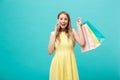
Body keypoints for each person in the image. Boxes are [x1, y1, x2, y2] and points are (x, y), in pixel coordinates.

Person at [48, 11, 85, 80]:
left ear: (68, 21)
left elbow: (82, 43)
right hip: (58, 65)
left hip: (70, 64)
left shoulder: (72, 32)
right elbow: (50, 52)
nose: (63, 21)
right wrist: (55, 33)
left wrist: (79, 26)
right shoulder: (53, 34)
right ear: (58, 20)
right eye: (61, 19)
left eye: (65, 19)